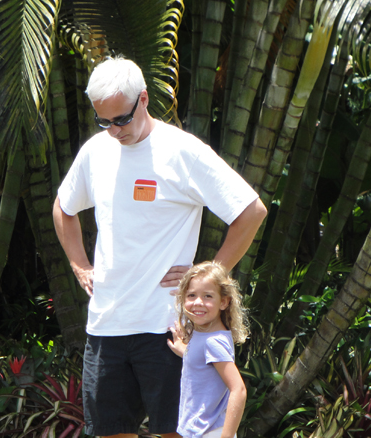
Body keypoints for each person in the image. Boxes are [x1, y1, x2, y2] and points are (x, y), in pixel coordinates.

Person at [52, 56, 267, 438]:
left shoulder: (182, 151)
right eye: (104, 121)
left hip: (168, 329)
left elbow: (251, 211)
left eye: (122, 119)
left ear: (144, 99)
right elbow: (63, 209)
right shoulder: (95, 152)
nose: (115, 131)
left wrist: (208, 275)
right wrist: (79, 265)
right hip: (106, 327)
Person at [167, 261, 248, 438]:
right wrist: (184, 351)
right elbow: (207, 364)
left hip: (210, 432)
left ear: (224, 302)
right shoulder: (206, 334)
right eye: (191, 295)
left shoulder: (213, 342)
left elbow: (239, 390)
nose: (198, 302)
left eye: (208, 296)